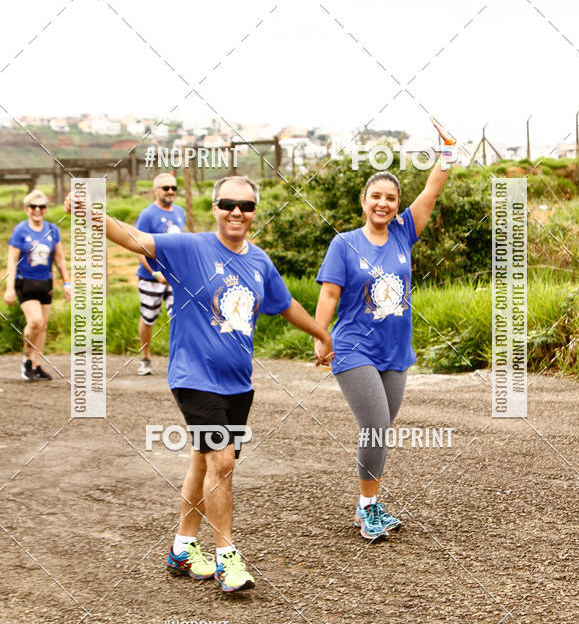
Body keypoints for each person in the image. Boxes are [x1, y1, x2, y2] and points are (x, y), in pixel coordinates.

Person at [65, 175, 333, 592]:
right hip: (193, 377)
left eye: (245, 206)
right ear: (215, 207)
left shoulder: (260, 262)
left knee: (203, 461)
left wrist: (321, 333)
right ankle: (227, 558)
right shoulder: (190, 248)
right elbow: (135, 238)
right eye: (227, 203)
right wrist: (89, 214)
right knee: (222, 462)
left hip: (238, 383)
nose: (236, 212)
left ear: (254, 212)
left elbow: (284, 305)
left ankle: (182, 548)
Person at [314, 118, 457, 540]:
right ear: (364, 201)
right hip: (353, 349)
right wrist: (321, 336)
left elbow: (432, 189)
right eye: (376, 196)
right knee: (375, 425)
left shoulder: (404, 233)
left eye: (391, 198)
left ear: (397, 204)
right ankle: (366, 509)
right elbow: (328, 297)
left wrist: (448, 148)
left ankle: (370, 504)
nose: (384, 203)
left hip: (395, 351)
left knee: (381, 429)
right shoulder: (344, 244)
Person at [5, 189, 71, 381]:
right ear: (27, 209)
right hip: (25, 282)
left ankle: (37, 364)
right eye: (33, 206)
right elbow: (11, 260)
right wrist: (9, 288)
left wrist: (67, 282)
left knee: (42, 326)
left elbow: (59, 259)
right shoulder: (20, 231)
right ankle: (26, 359)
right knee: (35, 322)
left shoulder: (52, 229)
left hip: (45, 283)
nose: (37, 210)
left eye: (41, 207)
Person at [135, 172, 186, 376]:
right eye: (166, 188)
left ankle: (179, 359)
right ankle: (145, 357)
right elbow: (137, 248)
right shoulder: (147, 215)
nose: (171, 191)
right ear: (156, 190)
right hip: (151, 278)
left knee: (179, 316)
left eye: (174, 188)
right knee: (149, 318)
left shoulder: (180, 212)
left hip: (175, 278)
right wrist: (156, 273)